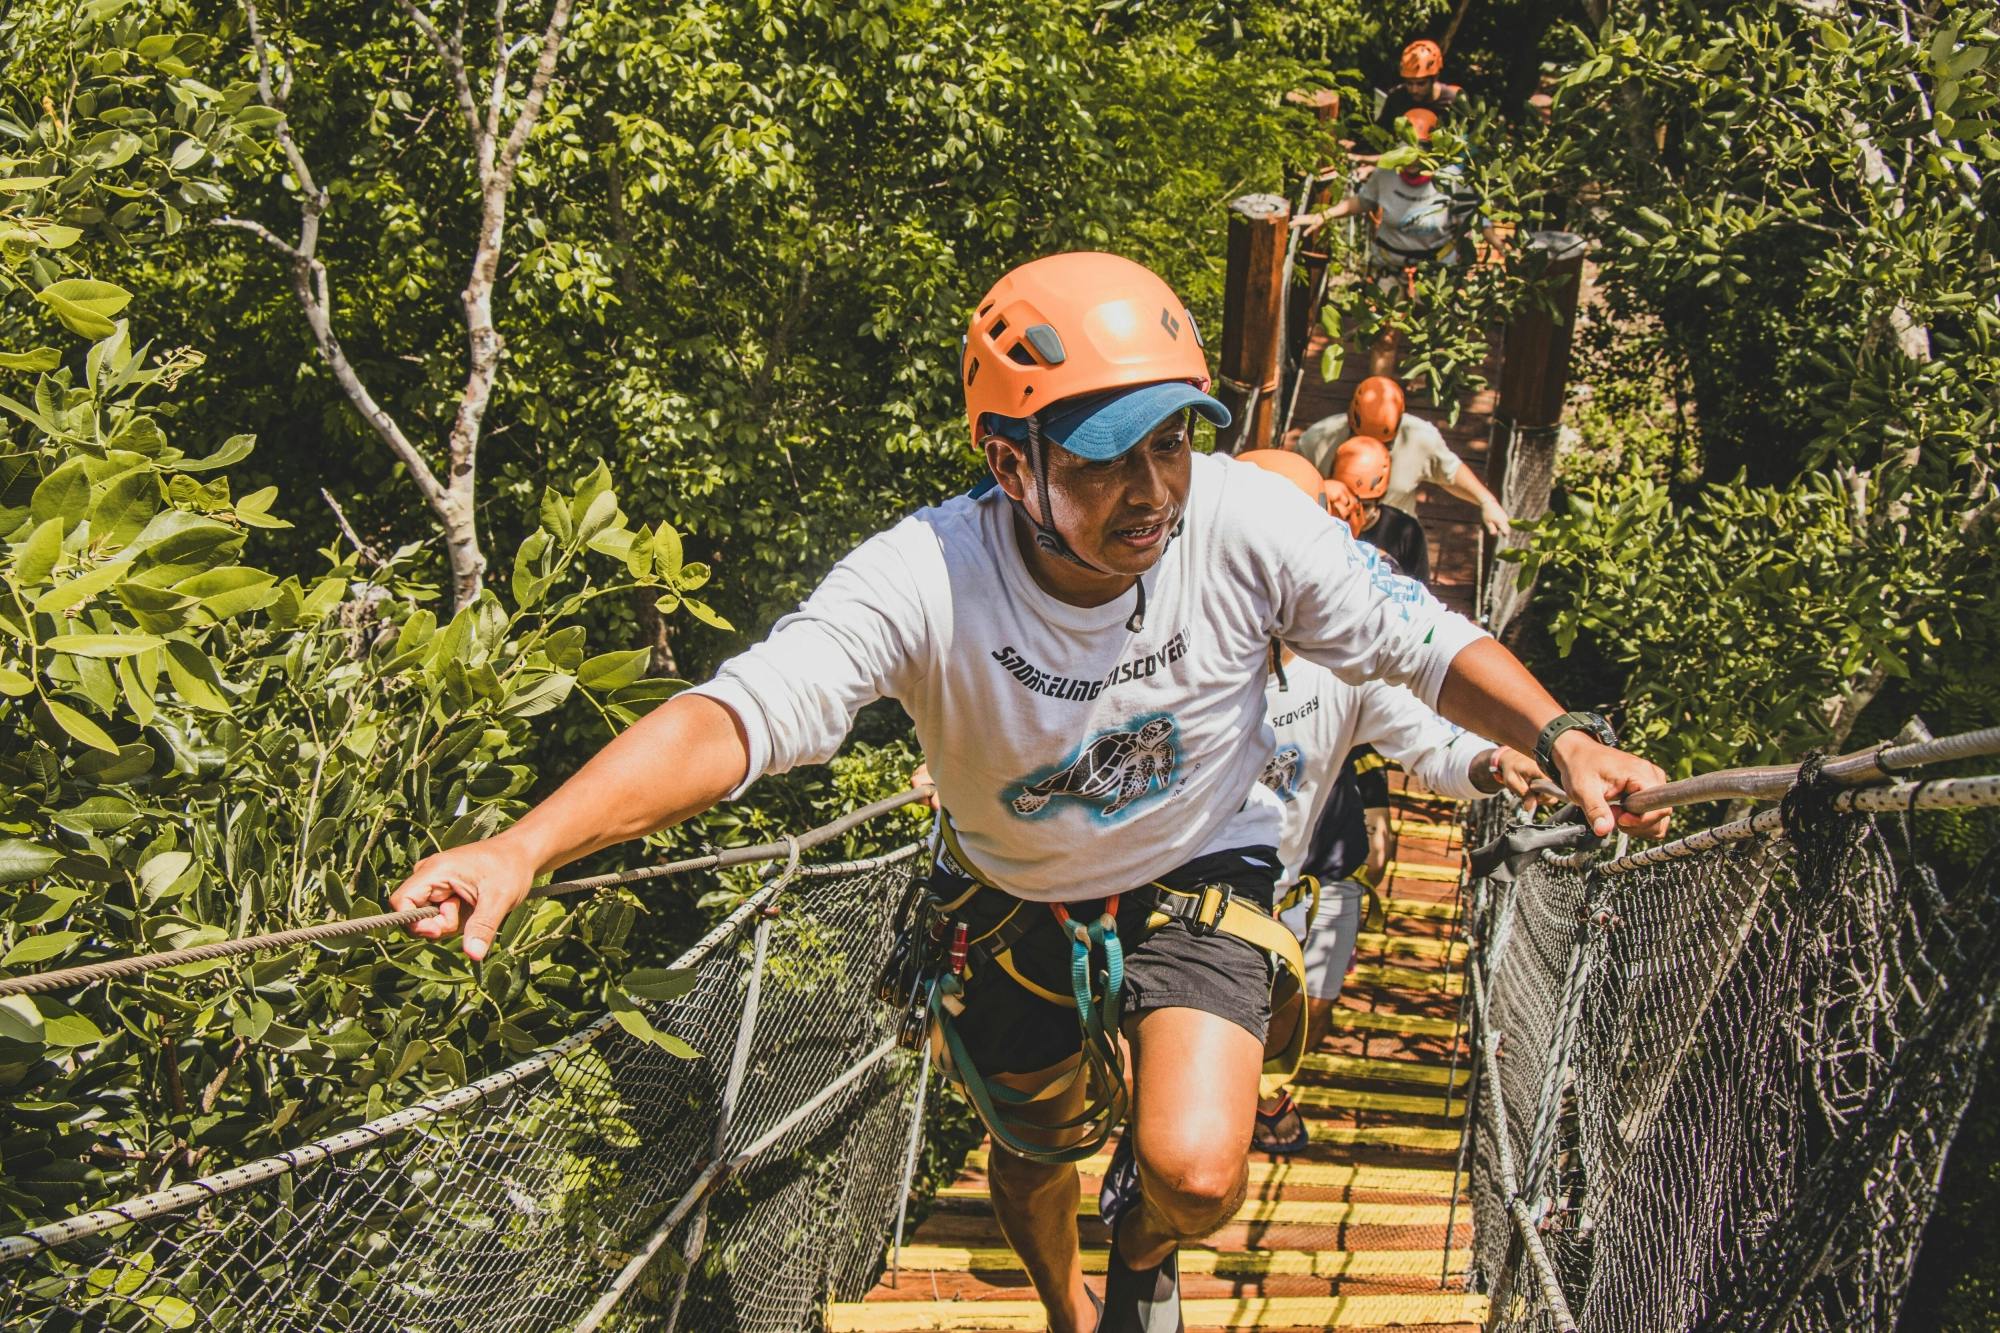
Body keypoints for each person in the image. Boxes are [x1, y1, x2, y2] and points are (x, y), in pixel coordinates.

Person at [388, 252, 1669, 1333]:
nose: (1153, 491)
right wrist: (526, 847)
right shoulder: (927, 579)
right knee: (1031, 1157)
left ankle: (1149, 1248)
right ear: (1009, 466)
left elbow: (1414, 639)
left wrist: (1560, 735)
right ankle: (1071, 1311)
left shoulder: (1240, 523)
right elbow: (741, 713)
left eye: (1171, 444)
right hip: (1007, 895)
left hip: (1202, 863)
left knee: (1196, 1165)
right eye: (1109, 460)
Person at [1234, 450, 1540, 1154]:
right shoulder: (1162, 630)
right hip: (1155, 906)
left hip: (1272, 900)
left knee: (1222, 1106)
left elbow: (1430, 743)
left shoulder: (1344, 659)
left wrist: (1496, 759)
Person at [1296, 375, 1512, 536]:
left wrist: (1487, 501)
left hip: (1391, 535)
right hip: (1329, 533)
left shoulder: (1420, 438)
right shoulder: (1316, 440)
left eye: (1385, 443)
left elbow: (1449, 471)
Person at [1332, 435, 1430, 586]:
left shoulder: (1406, 532)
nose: (1355, 516)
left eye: (1365, 506)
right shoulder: (1322, 523)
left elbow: (1419, 590)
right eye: (1346, 503)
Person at [1376, 39, 1463, 130]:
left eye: (1421, 84)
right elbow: (1380, 132)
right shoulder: (1396, 98)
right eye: (1409, 83)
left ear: (1435, 78)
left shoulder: (1451, 101)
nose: (1414, 90)